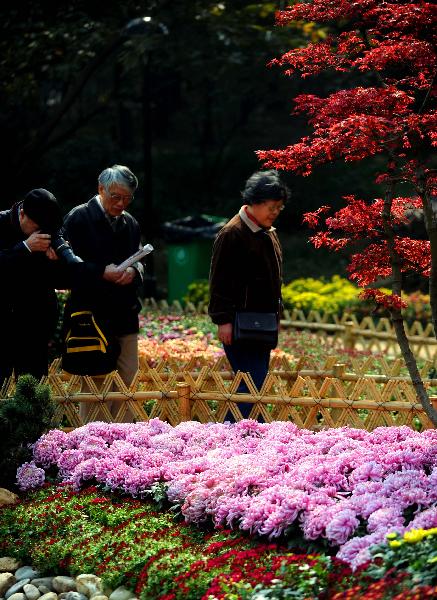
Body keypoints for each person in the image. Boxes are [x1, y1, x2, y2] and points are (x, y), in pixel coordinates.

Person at [208, 170, 289, 419]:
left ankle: (253, 439)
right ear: (254, 202)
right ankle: (229, 438)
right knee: (250, 385)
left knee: (256, 386)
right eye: (271, 206)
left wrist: (277, 314)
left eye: (279, 207)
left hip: (263, 324)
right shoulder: (232, 233)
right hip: (239, 325)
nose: (275, 212)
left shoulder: (269, 233)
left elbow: (276, 282)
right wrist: (223, 320)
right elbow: (219, 281)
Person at [62, 164, 144, 393]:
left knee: (128, 384)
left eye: (127, 199)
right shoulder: (78, 218)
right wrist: (100, 272)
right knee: (94, 388)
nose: (121, 204)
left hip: (125, 314)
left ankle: (128, 431)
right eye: (116, 197)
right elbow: (63, 269)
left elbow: (141, 259)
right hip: (90, 316)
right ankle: (92, 431)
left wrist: (134, 271)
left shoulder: (131, 222)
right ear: (101, 189)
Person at [0, 188, 68, 386]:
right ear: (22, 214)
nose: (41, 232)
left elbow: (63, 280)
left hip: (34, 326)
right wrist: (25, 247)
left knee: (33, 392)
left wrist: (57, 262)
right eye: (37, 227)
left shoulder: (52, 231)